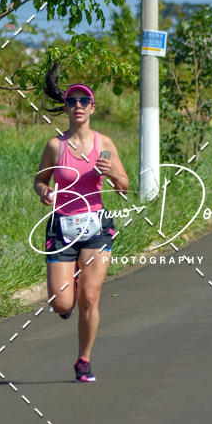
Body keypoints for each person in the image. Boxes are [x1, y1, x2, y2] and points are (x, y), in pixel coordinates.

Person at [34, 69, 129, 382]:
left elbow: (124, 186)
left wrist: (112, 172)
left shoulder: (105, 144)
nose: (77, 105)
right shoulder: (54, 145)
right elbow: (39, 181)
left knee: (90, 298)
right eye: (71, 100)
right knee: (62, 303)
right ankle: (67, 292)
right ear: (65, 107)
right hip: (61, 227)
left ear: (92, 107)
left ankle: (84, 360)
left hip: (96, 228)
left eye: (83, 100)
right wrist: (44, 192)